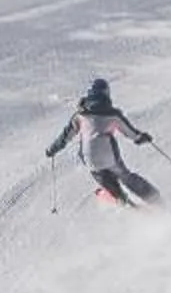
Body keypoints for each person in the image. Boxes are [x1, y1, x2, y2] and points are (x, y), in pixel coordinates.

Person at [44, 77, 161, 207]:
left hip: (89, 158)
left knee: (99, 173)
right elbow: (131, 134)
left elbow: (64, 137)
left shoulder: (80, 116)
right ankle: (153, 197)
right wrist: (142, 138)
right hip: (109, 155)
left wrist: (52, 150)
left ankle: (118, 197)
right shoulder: (113, 114)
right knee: (124, 175)